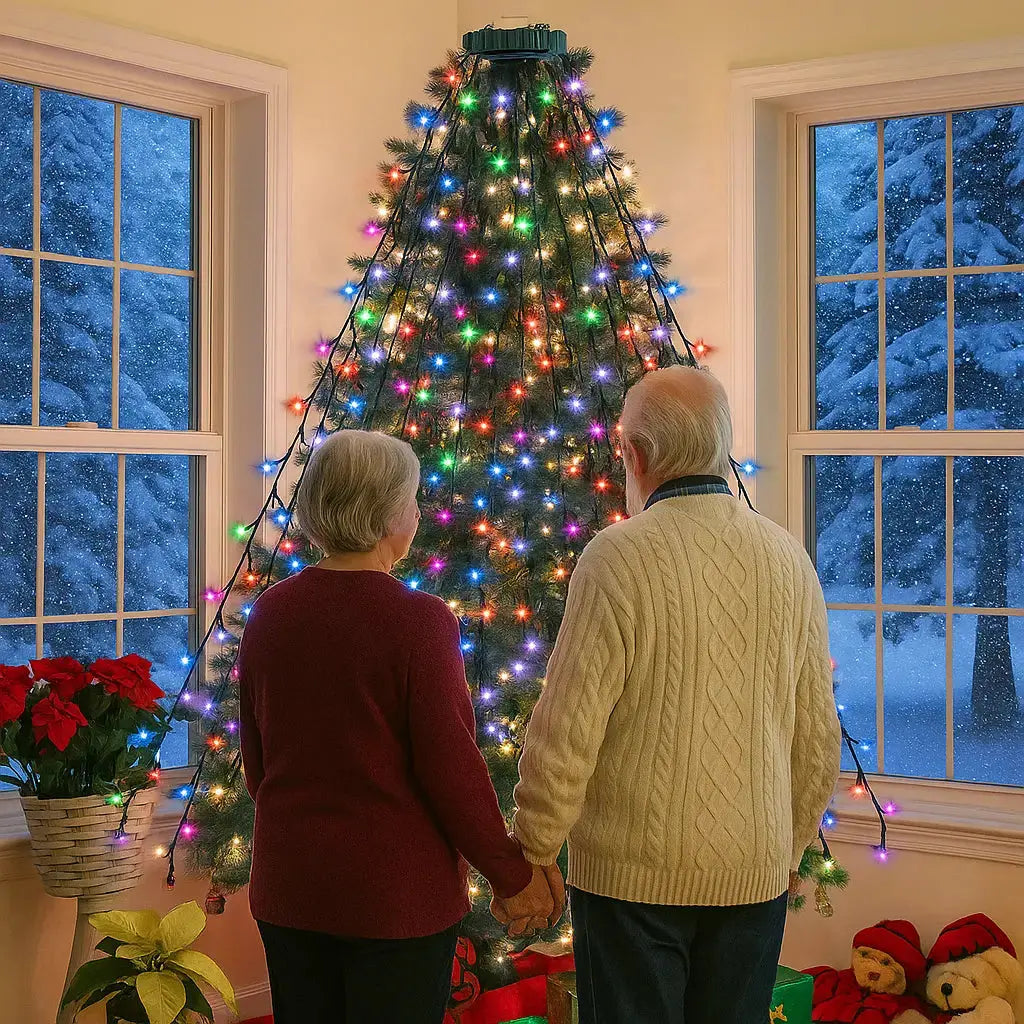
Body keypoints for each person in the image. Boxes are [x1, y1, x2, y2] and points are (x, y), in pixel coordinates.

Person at [512, 365, 842, 1024]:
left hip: (632, 882)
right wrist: (791, 843)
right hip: (753, 872)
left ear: (634, 454)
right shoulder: (787, 558)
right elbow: (816, 735)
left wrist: (533, 852)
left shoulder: (618, 558)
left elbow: (567, 731)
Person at [238, 430, 556, 1024]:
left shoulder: (270, 613)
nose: (418, 513)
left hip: (290, 886)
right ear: (387, 515)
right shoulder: (419, 621)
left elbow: (257, 766)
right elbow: (452, 771)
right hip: (394, 900)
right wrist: (513, 875)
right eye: (412, 500)